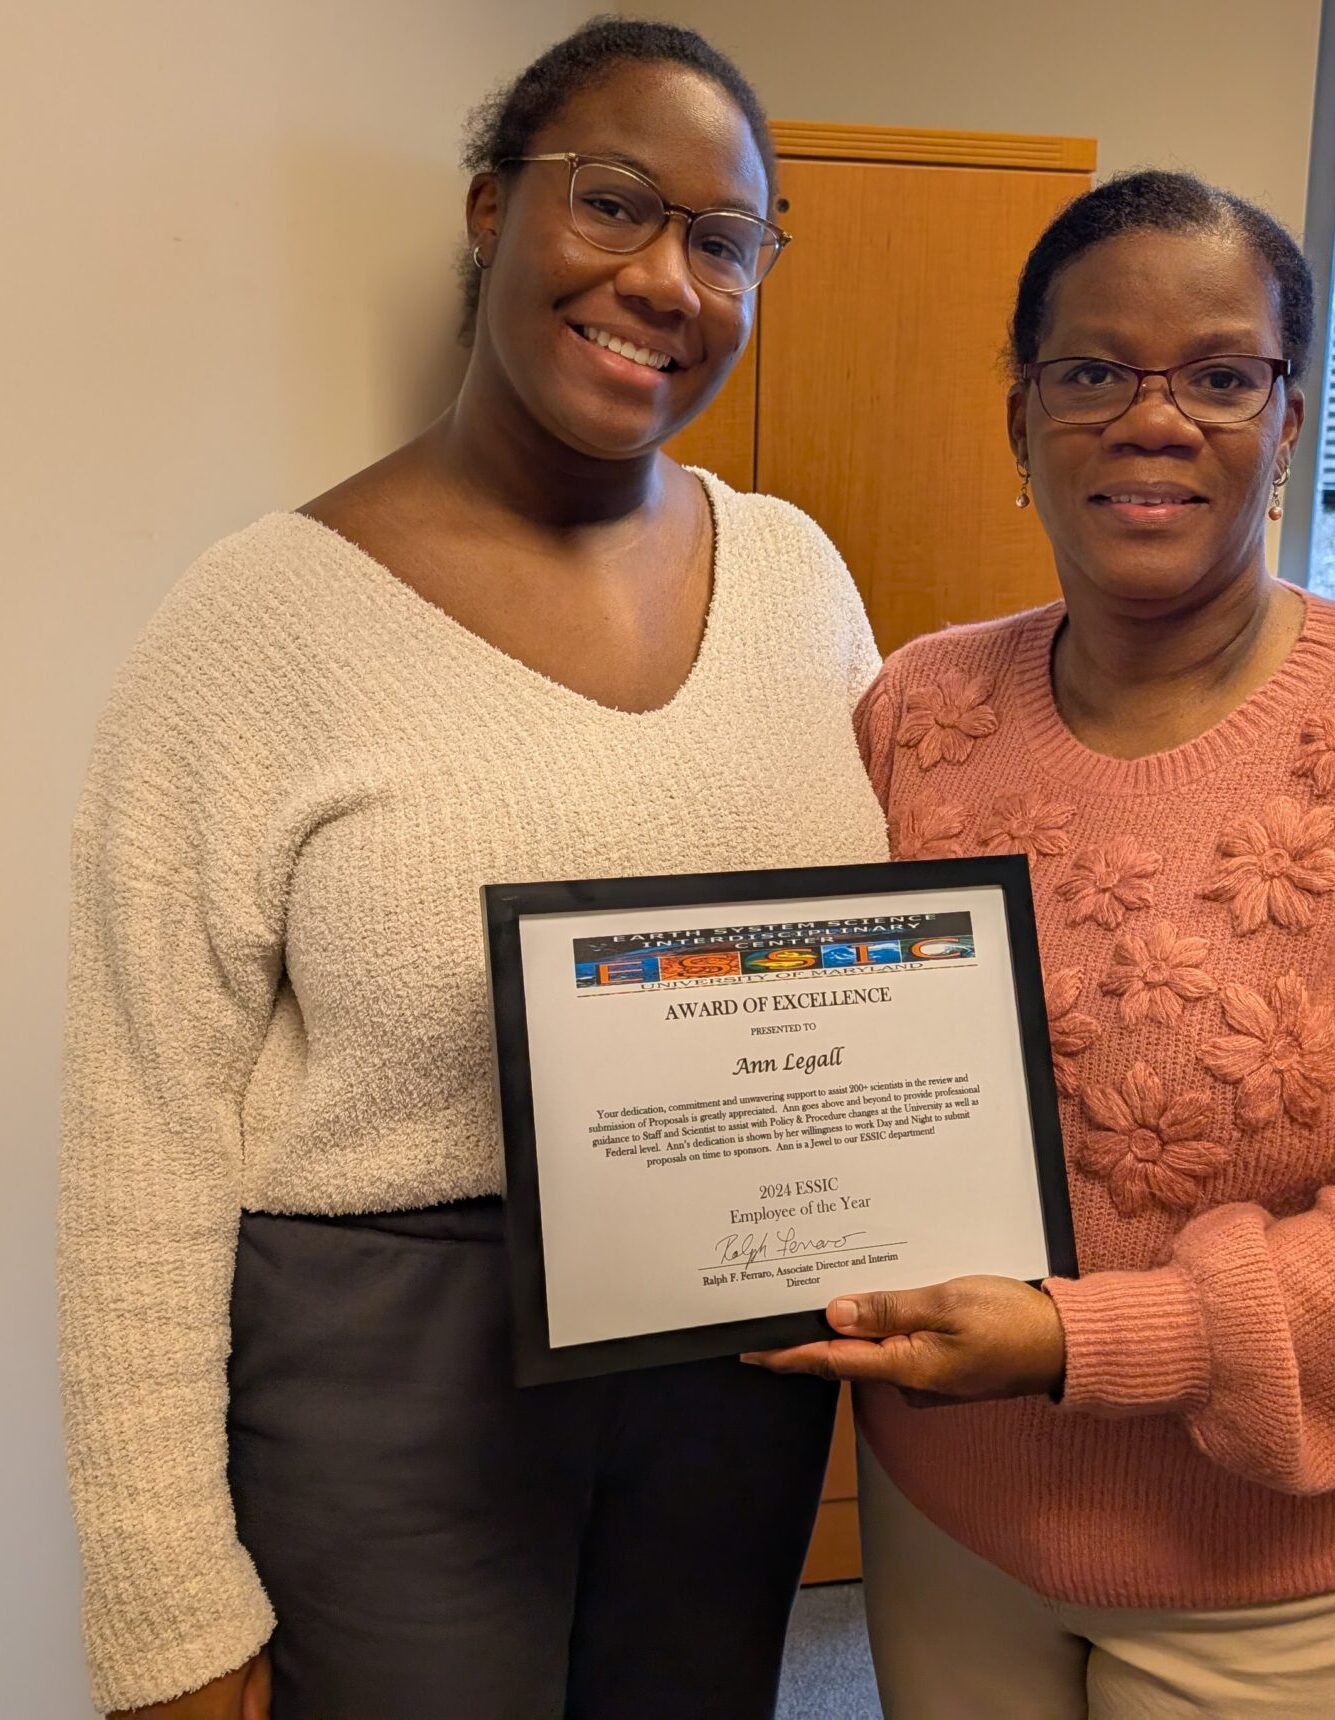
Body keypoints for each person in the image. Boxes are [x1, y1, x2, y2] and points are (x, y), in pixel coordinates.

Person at [58, 19, 886, 1720]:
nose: (668, 279)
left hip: (732, 1368)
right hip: (391, 1374)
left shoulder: (801, 580)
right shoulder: (255, 621)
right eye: (613, 205)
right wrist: (164, 1605)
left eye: (725, 242)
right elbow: (137, 1135)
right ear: (491, 210)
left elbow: (868, 971)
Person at [747, 171, 1335, 1718]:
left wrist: (1092, 1338)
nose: (1155, 419)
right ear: (1020, 416)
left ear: (1287, 421)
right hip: (948, 1520)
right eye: (1093, 371)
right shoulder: (917, 713)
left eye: (1221, 374)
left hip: (1281, 1577)